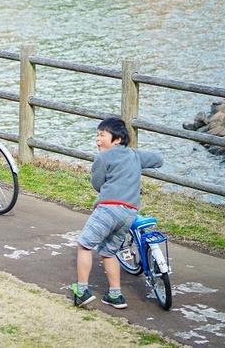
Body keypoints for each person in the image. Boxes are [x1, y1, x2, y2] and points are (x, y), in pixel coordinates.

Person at [72, 116, 163, 309]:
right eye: (97, 135)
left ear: (117, 139)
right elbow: (158, 160)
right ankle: (115, 295)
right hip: (129, 213)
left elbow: (97, 183)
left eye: (102, 135)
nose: (98, 139)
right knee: (109, 252)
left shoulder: (102, 157)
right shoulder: (135, 155)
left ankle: (81, 291)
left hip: (108, 208)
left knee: (84, 245)